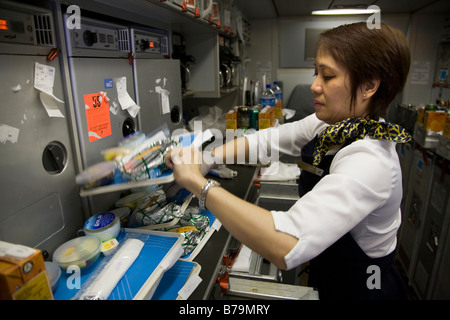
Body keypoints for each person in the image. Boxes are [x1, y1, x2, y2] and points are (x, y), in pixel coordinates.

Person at [165, 22, 411, 300]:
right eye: (316, 73)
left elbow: (287, 244)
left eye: (328, 76)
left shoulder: (370, 161)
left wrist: (200, 185)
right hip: (329, 270)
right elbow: (267, 140)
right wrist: (208, 158)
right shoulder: (333, 125)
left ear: (368, 86)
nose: (315, 86)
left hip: (361, 288)